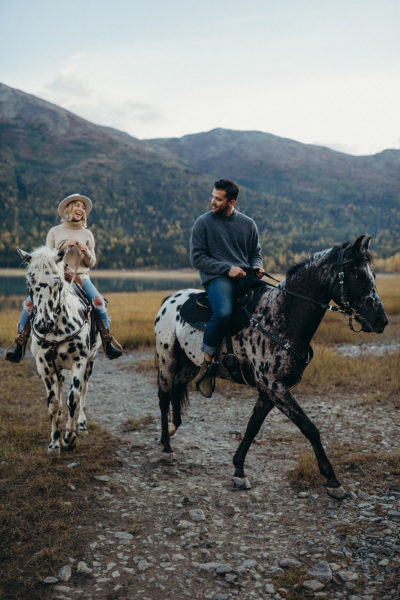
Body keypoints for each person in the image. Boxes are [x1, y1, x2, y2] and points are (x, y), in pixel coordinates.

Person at [5, 193, 122, 362]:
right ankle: (20, 343)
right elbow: (46, 258)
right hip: (56, 277)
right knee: (30, 304)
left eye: (83, 207)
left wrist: (85, 251)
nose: (80, 209)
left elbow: (92, 262)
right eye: (77, 205)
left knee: (98, 302)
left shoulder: (87, 234)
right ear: (68, 209)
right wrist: (64, 245)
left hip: (81, 277)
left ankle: (107, 342)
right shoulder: (54, 231)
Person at [190, 179, 264, 397]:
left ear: (231, 202)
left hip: (244, 276)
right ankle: (207, 364)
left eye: (218, 199)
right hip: (216, 277)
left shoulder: (248, 224)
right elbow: (197, 258)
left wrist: (257, 265)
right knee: (223, 312)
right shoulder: (202, 223)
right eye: (212, 197)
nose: (212, 201)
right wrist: (226, 268)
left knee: (271, 303)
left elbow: (255, 252)